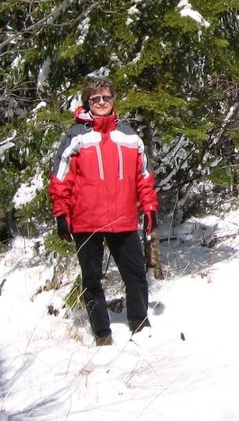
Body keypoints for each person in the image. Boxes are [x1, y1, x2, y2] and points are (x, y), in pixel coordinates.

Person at [49, 77, 159, 346]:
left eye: (106, 98)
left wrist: (150, 208)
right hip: (86, 220)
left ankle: (140, 325)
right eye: (95, 99)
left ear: (113, 100)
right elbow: (61, 179)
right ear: (88, 101)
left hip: (123, 219)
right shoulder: (76, 136)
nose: (101, 103)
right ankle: (102, 333)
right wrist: (61, 214)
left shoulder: (129, 135)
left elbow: (143, 177)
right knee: (92, 279)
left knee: (135, 276)